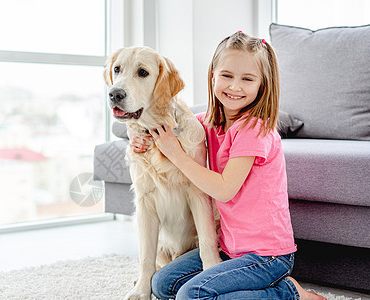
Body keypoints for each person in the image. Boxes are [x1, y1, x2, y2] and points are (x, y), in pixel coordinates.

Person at [129, 32, 326, 300]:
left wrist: (176, 154)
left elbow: (224, 190)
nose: (235, 86)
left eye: (247, 79)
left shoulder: (253, 129)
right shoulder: (211, 122)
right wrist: (140, 137)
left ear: (262, 85)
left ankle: (290, 292)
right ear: (213, 76)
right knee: (162, 284)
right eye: (227, 76)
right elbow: (175, 123)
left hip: (266, 255)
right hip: (229, 249)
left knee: (193, 295)